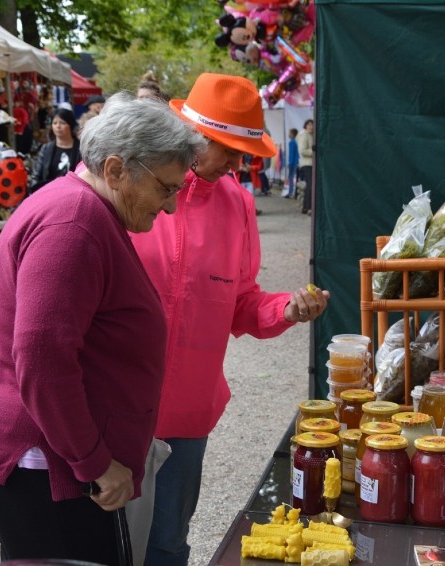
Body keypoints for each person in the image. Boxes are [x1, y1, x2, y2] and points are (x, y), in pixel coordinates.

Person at [0, 92, 206, 564]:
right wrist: (94, 462)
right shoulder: (73, 224)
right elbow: (42, 362)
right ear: (115, 170)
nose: (171, 207)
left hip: (55, 457)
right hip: (43, 461)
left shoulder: (88, 210)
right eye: (165, 188)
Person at [130, 72, 330, 565]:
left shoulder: (238, 204)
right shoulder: (134, 192)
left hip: (187, 415)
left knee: (166, 545)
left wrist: (285, 307)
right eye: (231, 149)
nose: (241, 164)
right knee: (101, 541)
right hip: (118, 405)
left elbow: (242, 302)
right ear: (196, 139)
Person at [29, 108, 81, 193]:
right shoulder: (46, 149)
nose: (58, 126)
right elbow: (36, 176)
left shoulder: (80, 149)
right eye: (55, 123)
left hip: (72, 193)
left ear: (70, 125)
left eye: (62, 123)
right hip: (48, 194)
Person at [296, 118, 314, 214]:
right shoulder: (304, 136)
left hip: (312, 164)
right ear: (306, 126)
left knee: (311, 185)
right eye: (309, 124)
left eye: (312, 124)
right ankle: (307, 207)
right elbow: (302, 151)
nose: (311, 126)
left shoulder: (313, 135)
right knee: (310, 184)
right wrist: (313, 151)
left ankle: (306, 207)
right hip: (306, 164)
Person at [283, 127, 299, 198]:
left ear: (292, 134)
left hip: (292, 163)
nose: (288, 134)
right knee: (293, 177)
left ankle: (290, 192)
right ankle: (292, 192)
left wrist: (290, 163)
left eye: (289, 133)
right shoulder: (295, 142)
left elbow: (291, 154)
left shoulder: (291, 142)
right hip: (295, 162)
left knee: (291, 177)